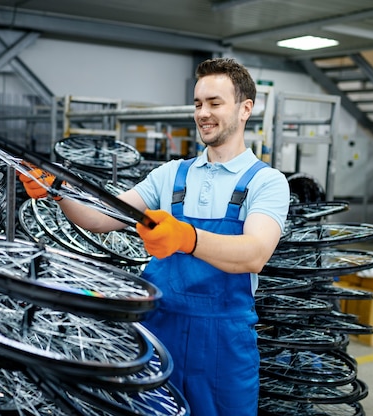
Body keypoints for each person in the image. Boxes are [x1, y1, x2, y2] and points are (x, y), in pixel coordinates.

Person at [20, 57, 290, 416]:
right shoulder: (172, 175)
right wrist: (58, 189)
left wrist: (187, 238)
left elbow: (254, 253)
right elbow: (102, 217)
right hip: (161, 332)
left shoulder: (266, 182)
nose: (203, 114)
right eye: (197, 104)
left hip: (225, 344)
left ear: (245, 109)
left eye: (214, 103)